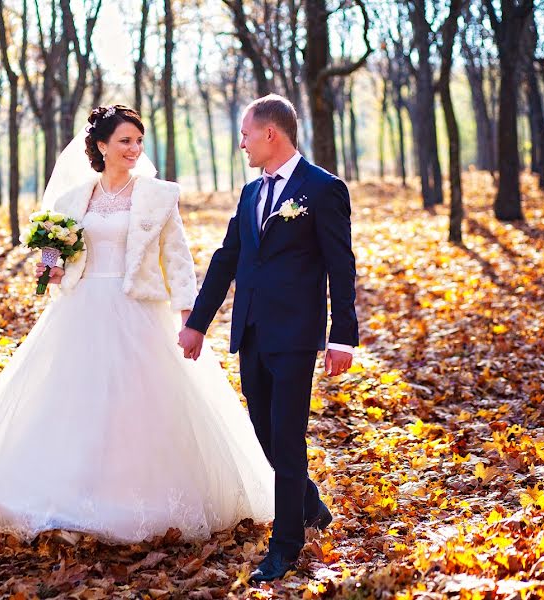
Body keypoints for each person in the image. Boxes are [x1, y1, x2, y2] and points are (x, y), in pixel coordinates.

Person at [0, 104, 274, 544]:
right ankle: (71, 494)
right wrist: (49, 268)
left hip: (138, 309)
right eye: (125, 141)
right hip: (81, 309)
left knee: (138, 404)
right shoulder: (73, 198)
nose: (134, 149)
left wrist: (188, 316)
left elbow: (177, 258)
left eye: (138, 141)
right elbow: (54, 252)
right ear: (101, 146)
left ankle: (139, 497)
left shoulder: (158, 196)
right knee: (76, 402)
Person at [179, 94, 359, 582]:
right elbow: (228, 258)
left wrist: (342, 336)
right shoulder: (250, 193)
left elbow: (341, 266)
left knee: (286, 435)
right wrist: (198, 322)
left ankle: (285, 546)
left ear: (271, 134)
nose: (241, 143)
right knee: (262, 433)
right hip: (253, 331)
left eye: (245, 134)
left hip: (297, 335)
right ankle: (311, 504)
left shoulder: (322, 189)